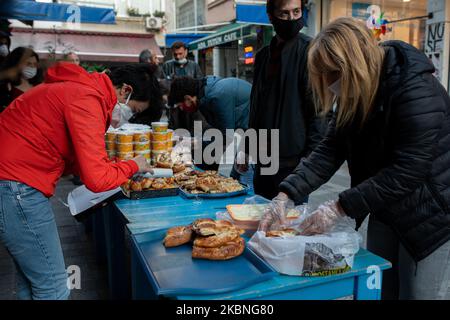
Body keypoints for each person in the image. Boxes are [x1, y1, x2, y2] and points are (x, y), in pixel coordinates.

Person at [260, 17, 450, 300]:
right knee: (380, 289)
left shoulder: (416, 90)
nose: (328, 83)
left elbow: (408, 170)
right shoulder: (356, 92)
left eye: (331, 73)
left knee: (418, 294)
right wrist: (286, 194)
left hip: (432, 217)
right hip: (386, 207)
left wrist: (339, 207)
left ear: (352, 65)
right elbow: (328, 151)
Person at [0, 62, 154, 300]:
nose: (128, 116)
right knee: (54, 288)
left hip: (13, 182)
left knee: (32, 282)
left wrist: (113, 167)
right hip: (17, 186)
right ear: (125, 90)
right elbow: (97, 179)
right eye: (132, 110)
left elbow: (81, 163)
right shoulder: (87, 98)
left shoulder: (80, 89)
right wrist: (134, 164)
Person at [247, 0, 326, 201]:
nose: (291, 19)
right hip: (264, 160)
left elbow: (319, 112)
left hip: (293, 164)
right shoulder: (263, 55)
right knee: (259, 223)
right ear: (271, 16)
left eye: (296, 12)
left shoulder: (310, 51)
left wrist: (308, 161)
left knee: (289, 228)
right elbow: (256, 107)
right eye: (284, 14)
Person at [168, 75, 251, 135]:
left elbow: (226, 135)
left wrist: (196, 143)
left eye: (180, 106)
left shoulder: (217, 96)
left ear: (188, 98)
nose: (182, 109)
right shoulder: (205, 94)